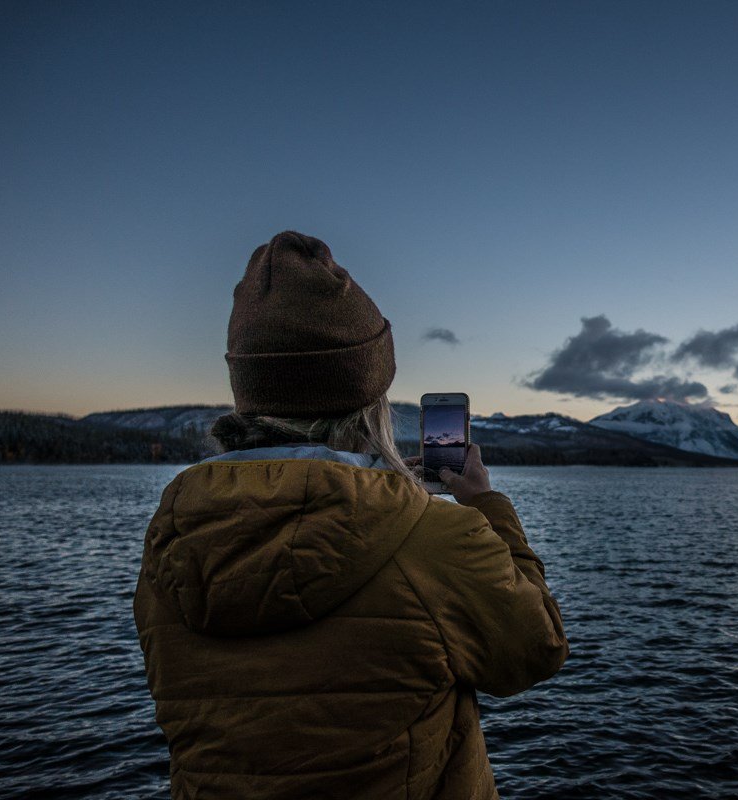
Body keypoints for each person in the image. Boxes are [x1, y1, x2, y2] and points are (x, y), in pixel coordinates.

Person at [134, 231, 568, 799]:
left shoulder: (174, 536)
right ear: (369, 399)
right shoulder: (433, 541)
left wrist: (383, 492)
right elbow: (536, 649)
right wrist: (484, 506)